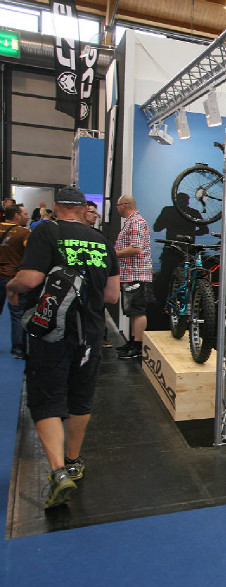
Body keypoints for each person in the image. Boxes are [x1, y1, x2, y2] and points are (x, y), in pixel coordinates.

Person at [5, 186, 119, 509]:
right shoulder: (102, 241)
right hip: (90, 333)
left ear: (56, 208)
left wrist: (11, 285)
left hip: (51, 332)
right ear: (83, 209)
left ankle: (57, 472)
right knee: (80, 397)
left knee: (46, 398)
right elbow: (112, 296)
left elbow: (30, 279)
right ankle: (73, 461)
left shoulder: (46, 232)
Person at [114, 194, 152, 359]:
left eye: (117, 205)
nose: (117, 208)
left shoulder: (136, 222)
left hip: (136, 273)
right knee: (132, 311)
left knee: (137, 310)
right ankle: (133, 342)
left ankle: (138, 346)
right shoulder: (132, 222)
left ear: (124, 205)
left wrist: (114, 254)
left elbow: (136, 248)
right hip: (129, 273)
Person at [153, 192, 209, 302]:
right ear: (188, 201)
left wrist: (170, 225)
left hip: (171, 249)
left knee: (165, 278)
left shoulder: (168, 211)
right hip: (188, 249)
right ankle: (186, 302)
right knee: (189, 278)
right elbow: (204, 230)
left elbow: (157, 228)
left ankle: (162, 303)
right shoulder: (194, 212)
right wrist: (190, 234)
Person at [0, 203, 31, 358]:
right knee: (17, 314)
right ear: (16, 216)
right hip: (14, 278)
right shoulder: (24, 232)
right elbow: (31, 251)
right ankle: (18, 349)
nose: (28, 217)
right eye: (25, 214)